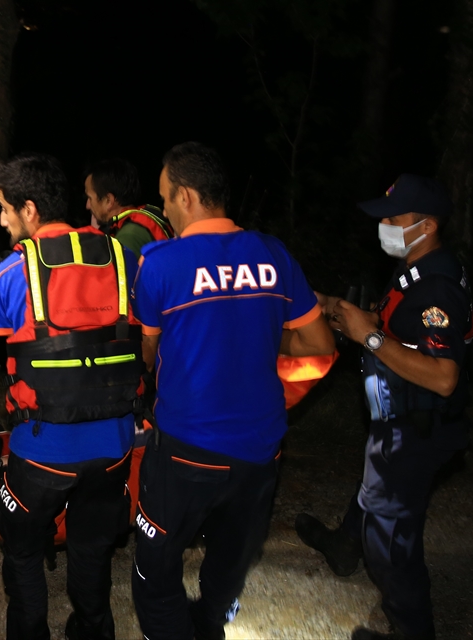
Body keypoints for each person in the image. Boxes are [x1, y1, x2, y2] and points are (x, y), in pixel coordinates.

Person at [130, 141, 335, 640]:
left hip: (186, 451)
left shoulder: (159, 263)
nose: (164, 213)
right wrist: (263, 334)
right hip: (260, 452)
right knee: (230, 558)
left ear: (187, 196)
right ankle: (210, 624)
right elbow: (319, 343)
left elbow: (148, 356)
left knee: (155, 574)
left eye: (164, 200)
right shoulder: (273, 253)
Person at [295, 175, 473, 640]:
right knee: (376, 490)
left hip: (416, 429)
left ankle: (413, 630)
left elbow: (443, 376)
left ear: (427, 225)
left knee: (391, 544)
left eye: (394, 218)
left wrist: (368, 337)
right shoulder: (414, 267)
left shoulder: (437, 289)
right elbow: (394, 323)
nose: (384, 225)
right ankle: (343, 545)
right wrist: (331, 307)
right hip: (398, 422)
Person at [0, 154, 142, 640]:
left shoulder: (8, 275)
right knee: (92, 551)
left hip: (43, 451)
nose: (2, 220)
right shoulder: (122, 259)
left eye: (5, 209)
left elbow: (6, 348)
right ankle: (93, 630)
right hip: (115, 446)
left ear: (30, 210)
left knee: (25, 555)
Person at [84, 157, 174, 258]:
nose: (87, 205)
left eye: (90, 198)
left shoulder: (129, 235)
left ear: (108, 201)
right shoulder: (152, 213)